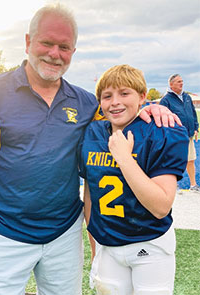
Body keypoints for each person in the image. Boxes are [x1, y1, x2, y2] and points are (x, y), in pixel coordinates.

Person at [0, 4, 181, 295]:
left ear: (73, 51)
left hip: (64, 235)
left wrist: (155, 110)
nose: (55, 53)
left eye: (64, 46)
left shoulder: (85, 103)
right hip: (2, 233)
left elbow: (122, 113)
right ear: (27, 42)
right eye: (47, 43)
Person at [79, 65, 189, 294]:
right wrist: (95, 245)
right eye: (107, 96)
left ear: (142, 96)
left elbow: (160, 206)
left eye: (124, 93)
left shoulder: (161, 131)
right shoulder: (93, 133)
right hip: (107, 244)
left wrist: (125, 160)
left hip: (149, 243)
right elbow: (91, 193)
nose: (115, 102)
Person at [160, 74, 199, 192]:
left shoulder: (187, 97)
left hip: (189, 134)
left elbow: (192, 113)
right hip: (175, 136)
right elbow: (161, 119)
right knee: (175, 160)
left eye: (182, 81)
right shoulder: (166, 100)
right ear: (171, 85)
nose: (181, 83)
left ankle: (193, 185)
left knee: (191, 160)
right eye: (178, 82)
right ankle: (173, 186)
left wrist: (196, 128)